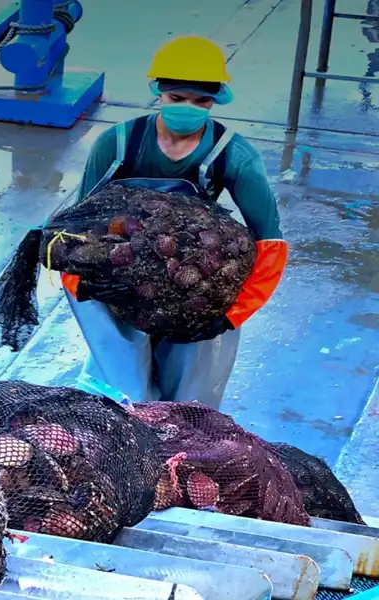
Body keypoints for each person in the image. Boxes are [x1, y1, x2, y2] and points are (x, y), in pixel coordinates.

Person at [63, 35, 287, 409]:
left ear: (215, 99)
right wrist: (81, 282)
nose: (188, 108)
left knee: (188, 398)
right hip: (118, 278)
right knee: (124, 395)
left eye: (201, 101)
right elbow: (75, 228)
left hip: (192, 283)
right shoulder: (116, 145)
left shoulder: (234, 155)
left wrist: (232, 314)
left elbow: (271, 245)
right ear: (158, 91)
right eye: (177, 98)